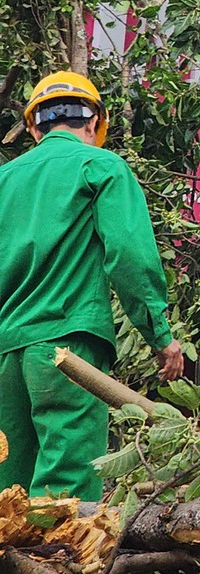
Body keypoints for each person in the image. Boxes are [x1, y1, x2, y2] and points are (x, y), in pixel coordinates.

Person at [0, 73, 183, 499]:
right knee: (67, 491)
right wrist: (160, 336)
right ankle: (57, 568)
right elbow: (129, 255)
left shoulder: (5, 180)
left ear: (33, 126)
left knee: (8, 490)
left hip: (5, 352)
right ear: (95, 122)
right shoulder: (100, 166)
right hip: (67, 347)